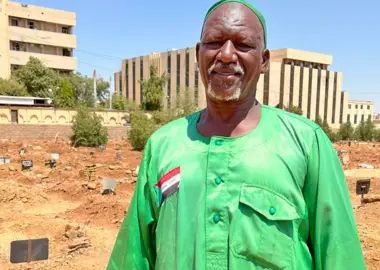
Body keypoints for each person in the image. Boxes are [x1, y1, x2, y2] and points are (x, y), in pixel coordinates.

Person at [107, 0, 366, 269]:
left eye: (242, 45)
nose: (227, 55)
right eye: (214, 42)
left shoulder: (305, 143)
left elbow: (340, 255)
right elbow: (135, 256)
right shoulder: (163, 146)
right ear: (198, 53)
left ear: (264, 60)